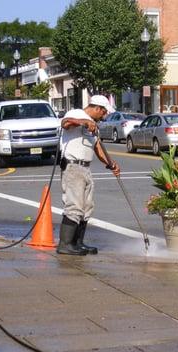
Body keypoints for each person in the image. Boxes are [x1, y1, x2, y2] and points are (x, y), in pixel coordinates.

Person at [57, 95, 120, 256]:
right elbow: (65, 124)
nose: (104, 116)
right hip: (73, 166)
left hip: (85, 168)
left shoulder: (95, 126)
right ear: (97, 108)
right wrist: (84, 122)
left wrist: (111, 164)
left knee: (87, 207)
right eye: (104, 112)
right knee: (74, 206)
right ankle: (65, 244)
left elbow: (98, 147)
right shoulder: (77, 113)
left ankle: (78, 242)